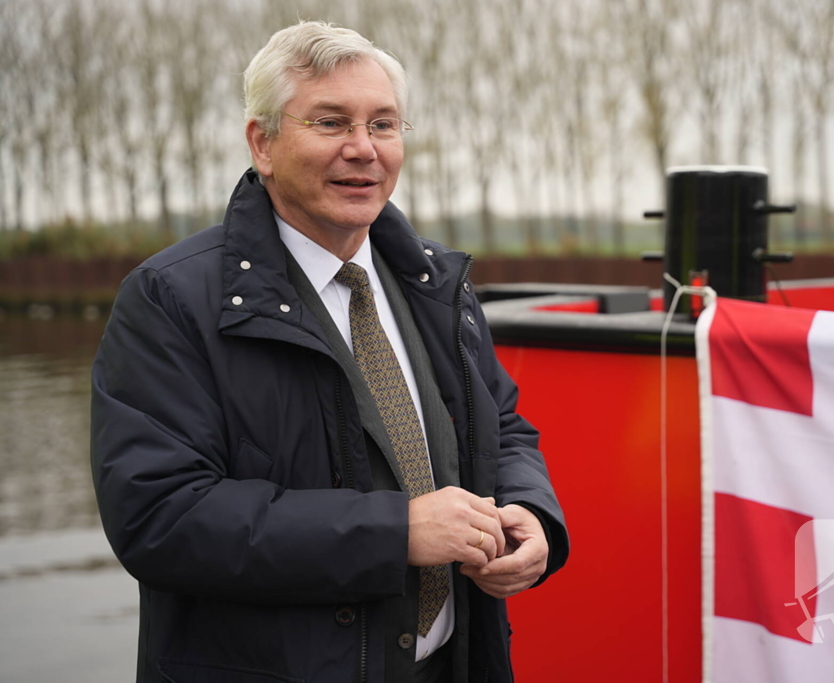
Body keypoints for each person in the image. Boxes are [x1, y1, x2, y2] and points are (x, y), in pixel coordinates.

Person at [91, 21, 568, 683]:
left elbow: (505, 427)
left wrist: (532, 515)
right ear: (263, 143)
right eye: (330, 122)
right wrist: (395, 530)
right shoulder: (169, 299)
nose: (362, 149)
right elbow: (160, 516)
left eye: (383, 124)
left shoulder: (434, 283)